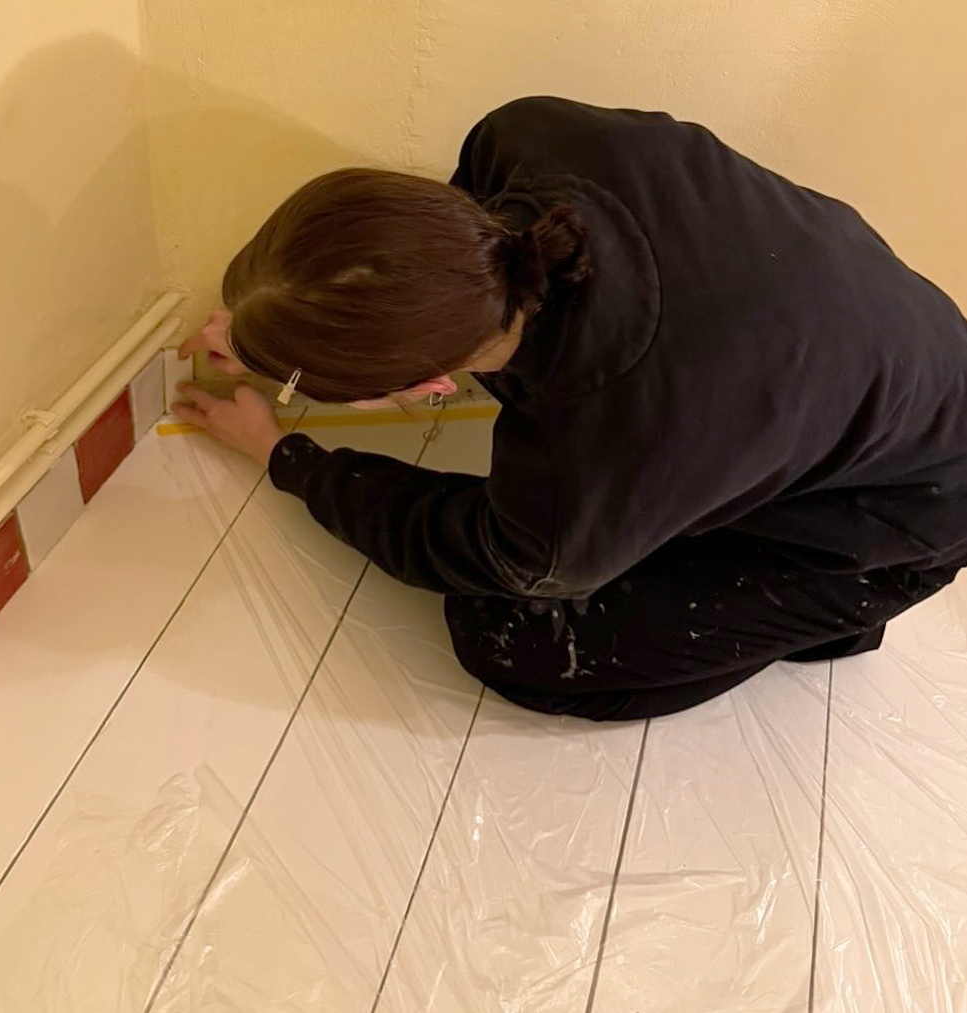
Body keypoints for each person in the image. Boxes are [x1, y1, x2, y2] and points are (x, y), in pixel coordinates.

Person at [171, 96, 967, 720]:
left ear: (428, 388)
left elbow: (451, 539)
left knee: (506, 640)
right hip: (909, 356)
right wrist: (270, 328)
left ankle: (829, 613)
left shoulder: (588, 478)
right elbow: (412, 285)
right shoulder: (520, 137)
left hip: (911, 517)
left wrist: (284, 454)